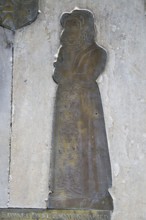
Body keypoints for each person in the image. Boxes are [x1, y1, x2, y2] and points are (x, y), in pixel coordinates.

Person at [49, 9, 113, 210]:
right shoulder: (64, 53)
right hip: (65, 105)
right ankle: (64, 191)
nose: (69, 34)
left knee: (89, 148)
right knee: (64, 148)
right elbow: (59, 76)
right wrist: (68, 72)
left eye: (74, 29)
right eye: (67, 29)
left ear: (84, 30)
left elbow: (86, 74)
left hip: (85, 105)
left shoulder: (97, 53)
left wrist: (69, 73)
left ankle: (92, 193)